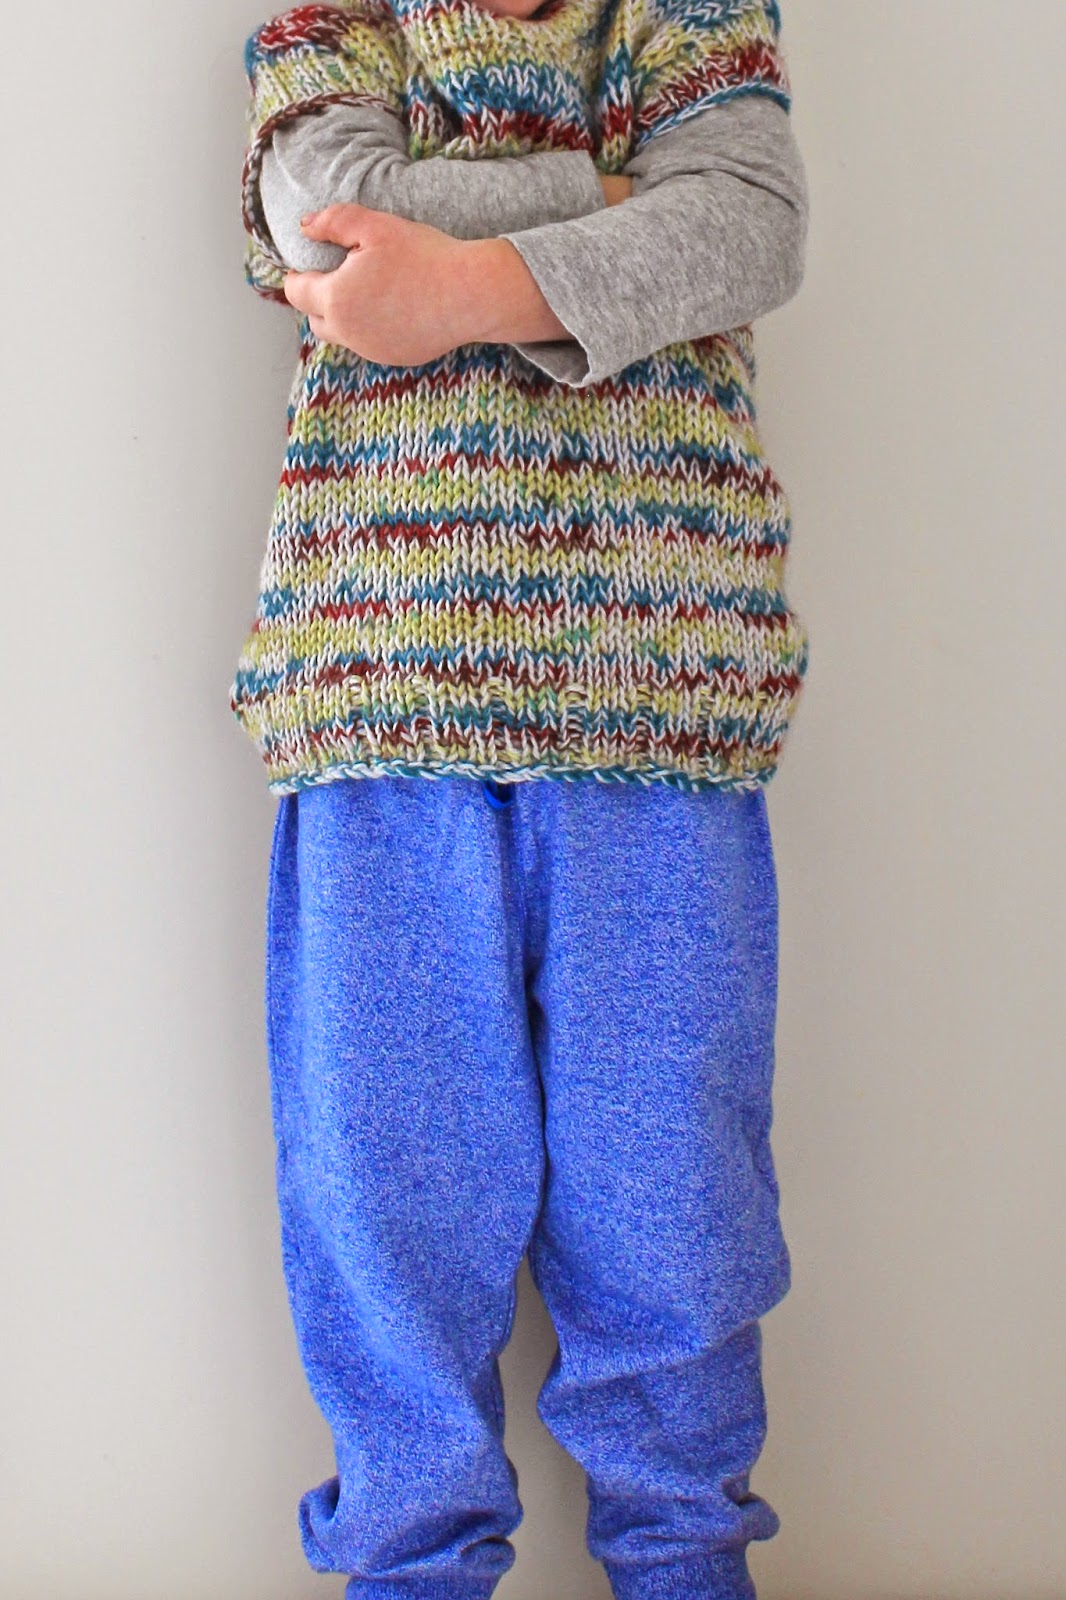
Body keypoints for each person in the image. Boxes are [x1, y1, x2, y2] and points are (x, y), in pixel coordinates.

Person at [230, 1, 812, 1596]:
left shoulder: (688, 13)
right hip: (378, 692)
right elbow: (331, 217)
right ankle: (412, 1569)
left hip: (665, 689)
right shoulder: (330, 22)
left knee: (675, 1208)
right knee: (386, 1203)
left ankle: (684, 1564)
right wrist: (612, 204)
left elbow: (749, 227)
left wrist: (461, 284)